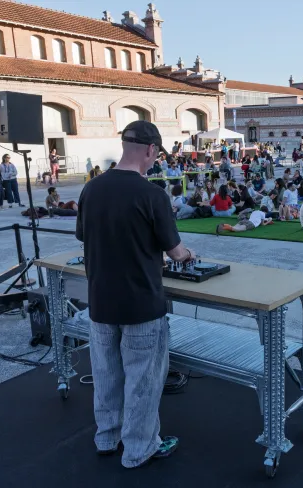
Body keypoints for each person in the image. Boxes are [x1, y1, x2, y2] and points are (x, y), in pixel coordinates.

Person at [75, 121, 191, 468]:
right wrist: (188, 254)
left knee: (107, 376)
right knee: (142, 381)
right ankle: (139, 449)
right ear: (151, 151)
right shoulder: (152, 195)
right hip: (141, 306)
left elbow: (84, 237)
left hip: (100, 302)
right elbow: (174, 251)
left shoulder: (91, 189)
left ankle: (107, 438)